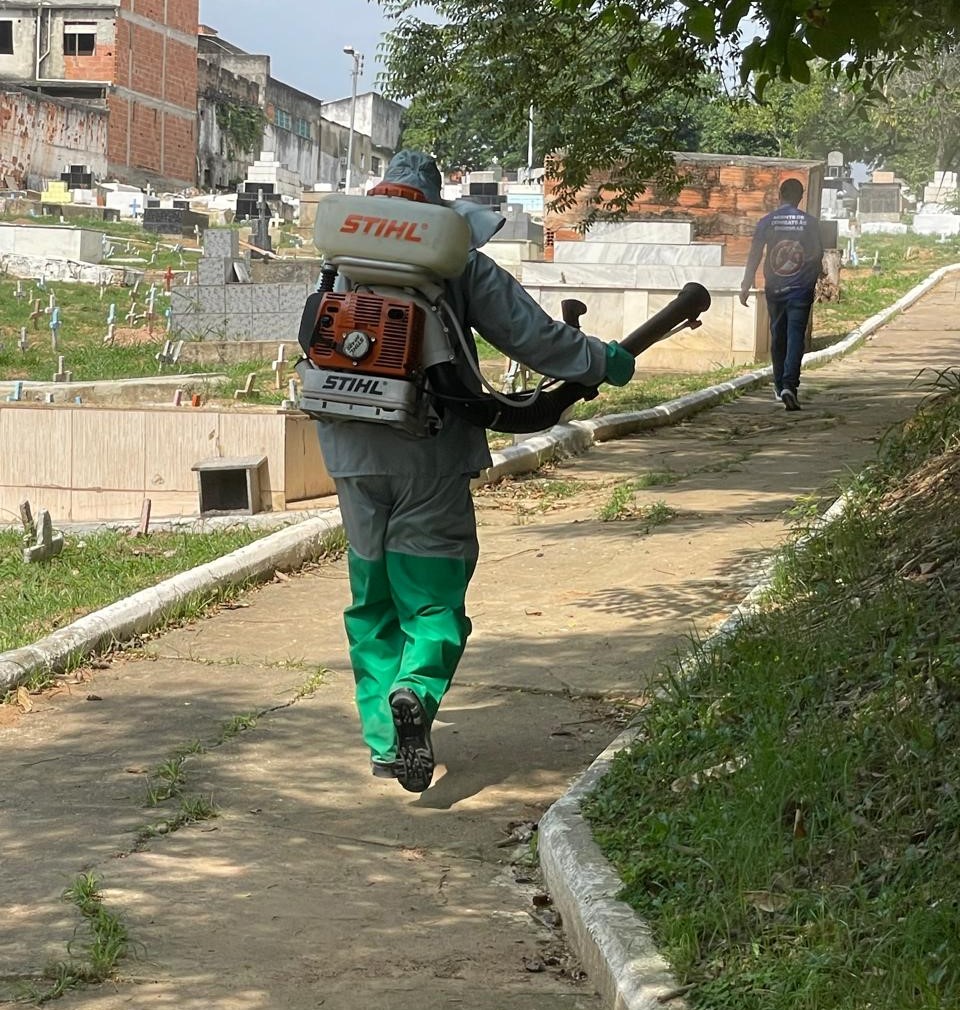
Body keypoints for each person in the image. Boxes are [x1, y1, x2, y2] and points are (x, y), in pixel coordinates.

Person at [313, 150, 636, 793]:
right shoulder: (456, 258)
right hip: (427, 449)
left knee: (371, 598)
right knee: (432, 598)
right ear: (439, 205)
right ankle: (415, 690)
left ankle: (384, 740)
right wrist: (601, 360)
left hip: (347, 448)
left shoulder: (342, 257)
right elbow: (535, 339)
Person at [739, 178, 824, 411]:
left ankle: (779, 387)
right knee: (796, 336)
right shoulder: (811, 223)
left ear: (780, 195)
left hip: (775, 286)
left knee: (778, 335)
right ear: (800, 197)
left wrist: (746, 284)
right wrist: (810, 281)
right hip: (800, 289)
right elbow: (817, 255)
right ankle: (789, 385)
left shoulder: (767, 221)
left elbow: (755, 253)